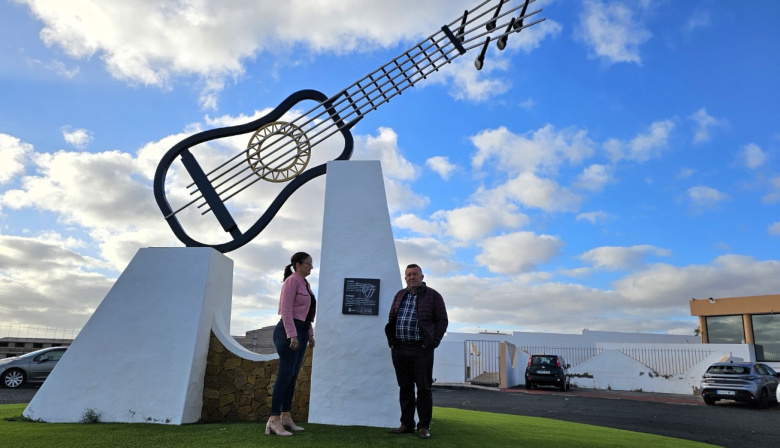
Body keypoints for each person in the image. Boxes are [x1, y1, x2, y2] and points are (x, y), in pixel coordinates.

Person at [385, 263, 448, 439]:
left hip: (422, 349)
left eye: (415, 274)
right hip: (400, 349)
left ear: (422, 276)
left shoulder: (433, 296)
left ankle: (423, 426)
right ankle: (406, 424)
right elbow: (392, 317)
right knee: (405, 388)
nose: (412, 277)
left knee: (424, 388)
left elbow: (442, 321)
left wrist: (432, 343)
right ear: (405, 278)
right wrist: (392, 341)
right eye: (409, 275)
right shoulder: (400, 295)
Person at [266, 252, 317, 437]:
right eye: (309, 264)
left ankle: (286, 417)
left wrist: (310, 334)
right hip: (289, 331)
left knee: (293, 376)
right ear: (298, 265)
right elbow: (286, 310)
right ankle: (274, 420)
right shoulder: (292, 281)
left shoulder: (305, 284)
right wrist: (292, 335)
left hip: (302, 331)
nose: (311, 267)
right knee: (285, 375)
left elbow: (306, 313)